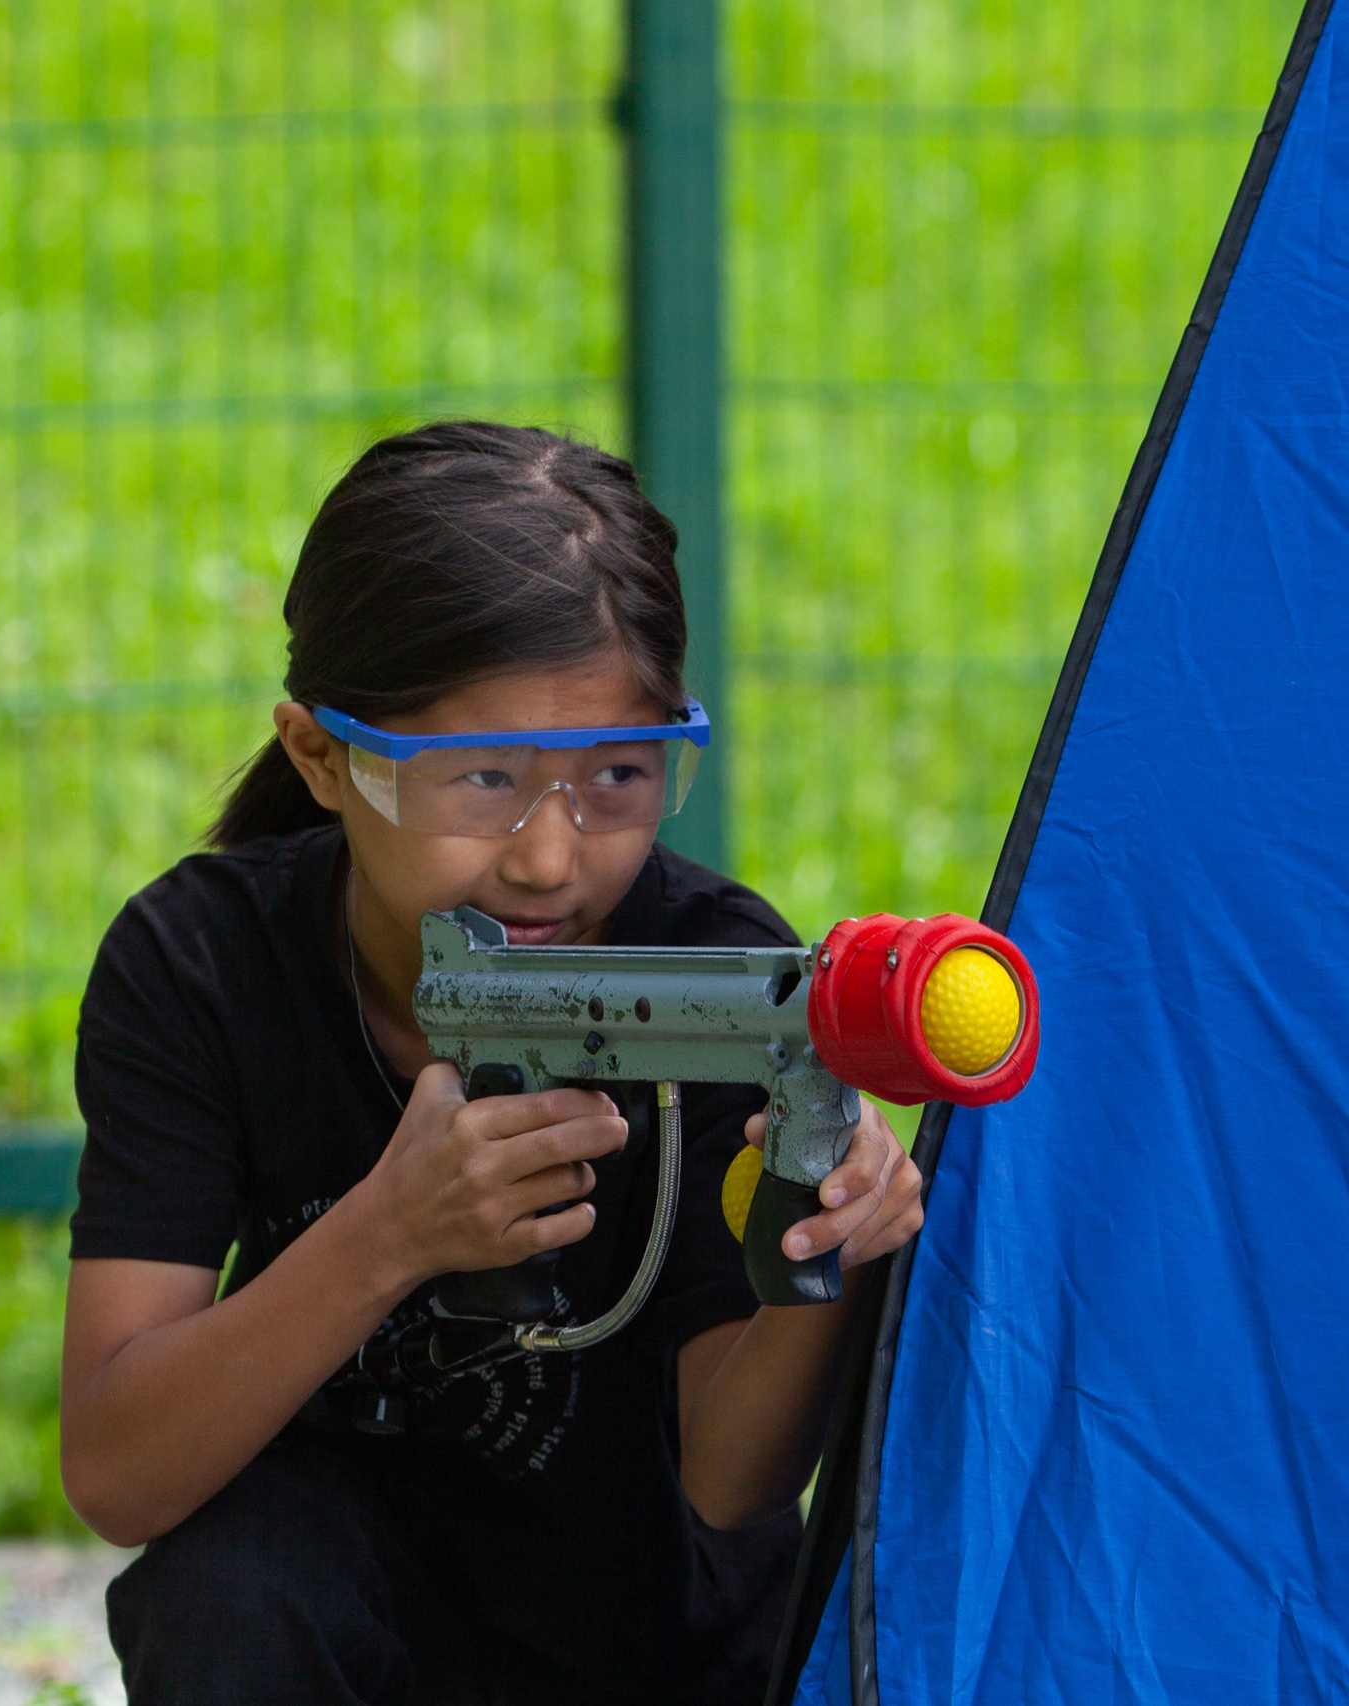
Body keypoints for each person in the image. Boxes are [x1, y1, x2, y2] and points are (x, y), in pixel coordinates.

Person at [58, 420, 925, 1705]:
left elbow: (730, 1481)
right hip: (327, 1631)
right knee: (224, 1592)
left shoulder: (712, 976)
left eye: (619, 775)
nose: (547, 857)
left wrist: (834, 1248)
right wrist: (388, 1235)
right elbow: (121, 1471)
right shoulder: (202, 964)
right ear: (319, 755)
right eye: (483, 780)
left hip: (654, 1646)